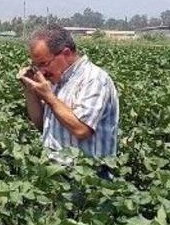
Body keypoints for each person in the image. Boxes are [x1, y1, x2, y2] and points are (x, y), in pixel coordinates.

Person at [18, 25, 119, 169]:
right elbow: (43, 125)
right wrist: (30, 91)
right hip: (55, 174)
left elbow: (82, 130)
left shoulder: (94, 79)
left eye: (44, 64)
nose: (41, 71)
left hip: (89, 180)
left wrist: (49, 98)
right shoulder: (56, 79)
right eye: (36, 65)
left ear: (65, 53)